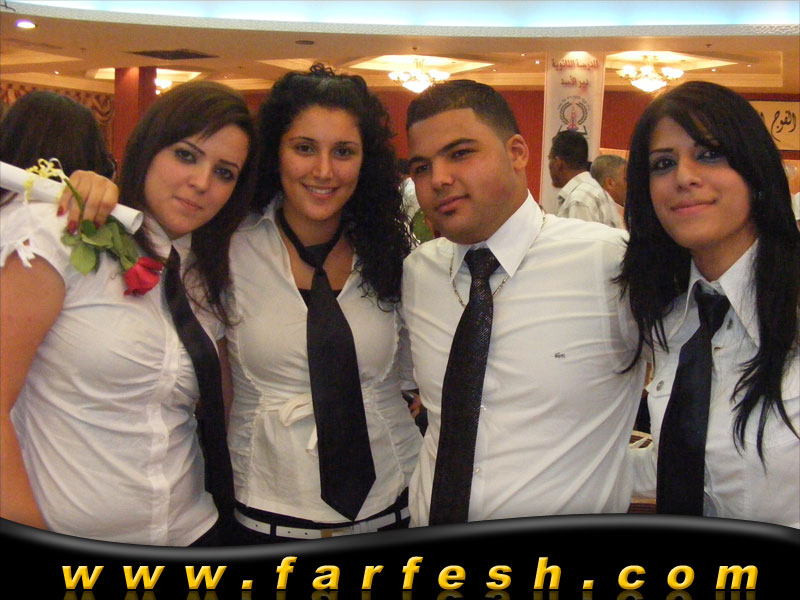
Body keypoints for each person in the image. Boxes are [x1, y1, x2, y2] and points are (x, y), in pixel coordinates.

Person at [1, 81, 257, 545]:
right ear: (148, 147)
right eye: (186, 155)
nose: (202, 183)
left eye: (224, 172)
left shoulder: (204, 274)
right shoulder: (62, 232)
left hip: (192, 529)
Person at [401, 79, 646, 526]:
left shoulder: (611, 263)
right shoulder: (419, 274)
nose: (438, 179)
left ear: (516, 153)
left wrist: (628, 476)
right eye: (422, 166)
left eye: (460, 153)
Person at [224, 64, 422, 542]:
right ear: (275, 152)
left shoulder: (394, 255)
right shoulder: (227, 250)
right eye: (304, 148)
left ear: (365, 161)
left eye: (344, 152)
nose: (324, 171)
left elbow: (419, 374)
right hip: (267, 511)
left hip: (392, 505)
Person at [618, 81, 799, 528]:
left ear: (754, 170)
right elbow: (695, 461)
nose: (684, 177)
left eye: (710, 154)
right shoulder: (669, 314)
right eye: (663, 163)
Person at [549, 130, 623, 229]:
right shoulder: (594, 191)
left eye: (550, 158)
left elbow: (578, 239)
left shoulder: (579, 199)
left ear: (558, 163)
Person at [590, 153, 628, 226]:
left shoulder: (632, 211)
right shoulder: (596, 213)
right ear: (610, 183)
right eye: (626, 179)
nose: (632, 184)